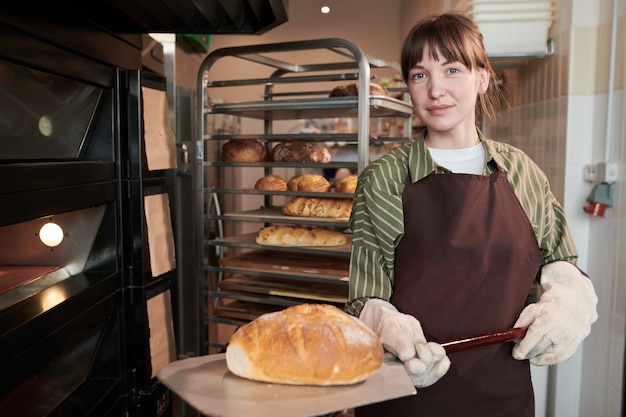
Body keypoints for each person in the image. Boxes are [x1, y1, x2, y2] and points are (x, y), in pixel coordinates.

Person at [344, 12, 598, 417]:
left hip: (501, 395)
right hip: (405, 393)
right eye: (419, 75)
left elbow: (560, 263)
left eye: (452, 69)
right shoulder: (386, 178)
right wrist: (389, 328)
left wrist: (568, 304)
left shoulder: (521, 172)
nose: (436, 90)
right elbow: (366, 296)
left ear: (482, 78)